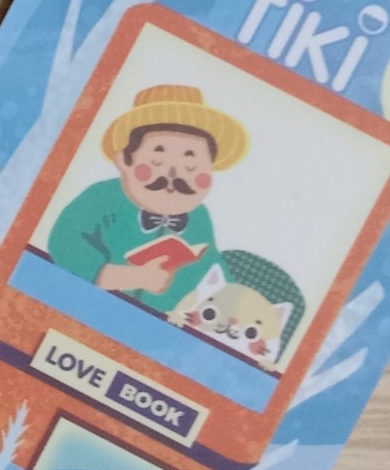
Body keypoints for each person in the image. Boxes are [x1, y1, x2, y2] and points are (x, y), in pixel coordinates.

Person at [45, 82, 249, 317]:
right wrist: (128, 277)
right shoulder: (103, 196)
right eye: (157, 161)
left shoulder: (199, 218)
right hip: (81, 308)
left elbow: (212, 268)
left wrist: (232, 307)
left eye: (191, 165)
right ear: (124, 161)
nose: (173, 175)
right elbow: (65, 241)